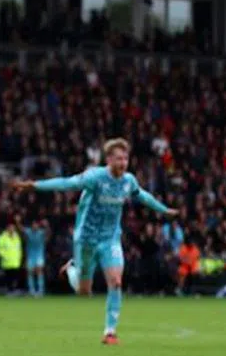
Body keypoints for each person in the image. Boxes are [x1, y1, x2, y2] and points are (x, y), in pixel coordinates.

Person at [12, 138, 179, 344]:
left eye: (125, 158)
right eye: (118, 158)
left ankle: (110, 332)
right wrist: (35, 186)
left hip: (110, 239)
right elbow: (66, 183)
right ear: (108, 159)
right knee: (84, 292)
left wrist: (164, 210)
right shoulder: (95, 177)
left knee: (116, 282)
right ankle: (71, 269)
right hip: (86, 239)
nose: (123, 163)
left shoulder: (128, 181)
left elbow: (142, 196)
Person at [23, 219, 50, 297]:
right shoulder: (28, 232)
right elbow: (22, 230)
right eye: (33, 224)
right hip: (30, 256)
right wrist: (18, 222)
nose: (35, 226)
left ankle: (41, 290)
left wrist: (47, 225)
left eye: (36, 224)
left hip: (39, 255)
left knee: (39, 271)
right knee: (30, 272)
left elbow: (48, 233)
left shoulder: (41, 232)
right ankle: (31, 290)